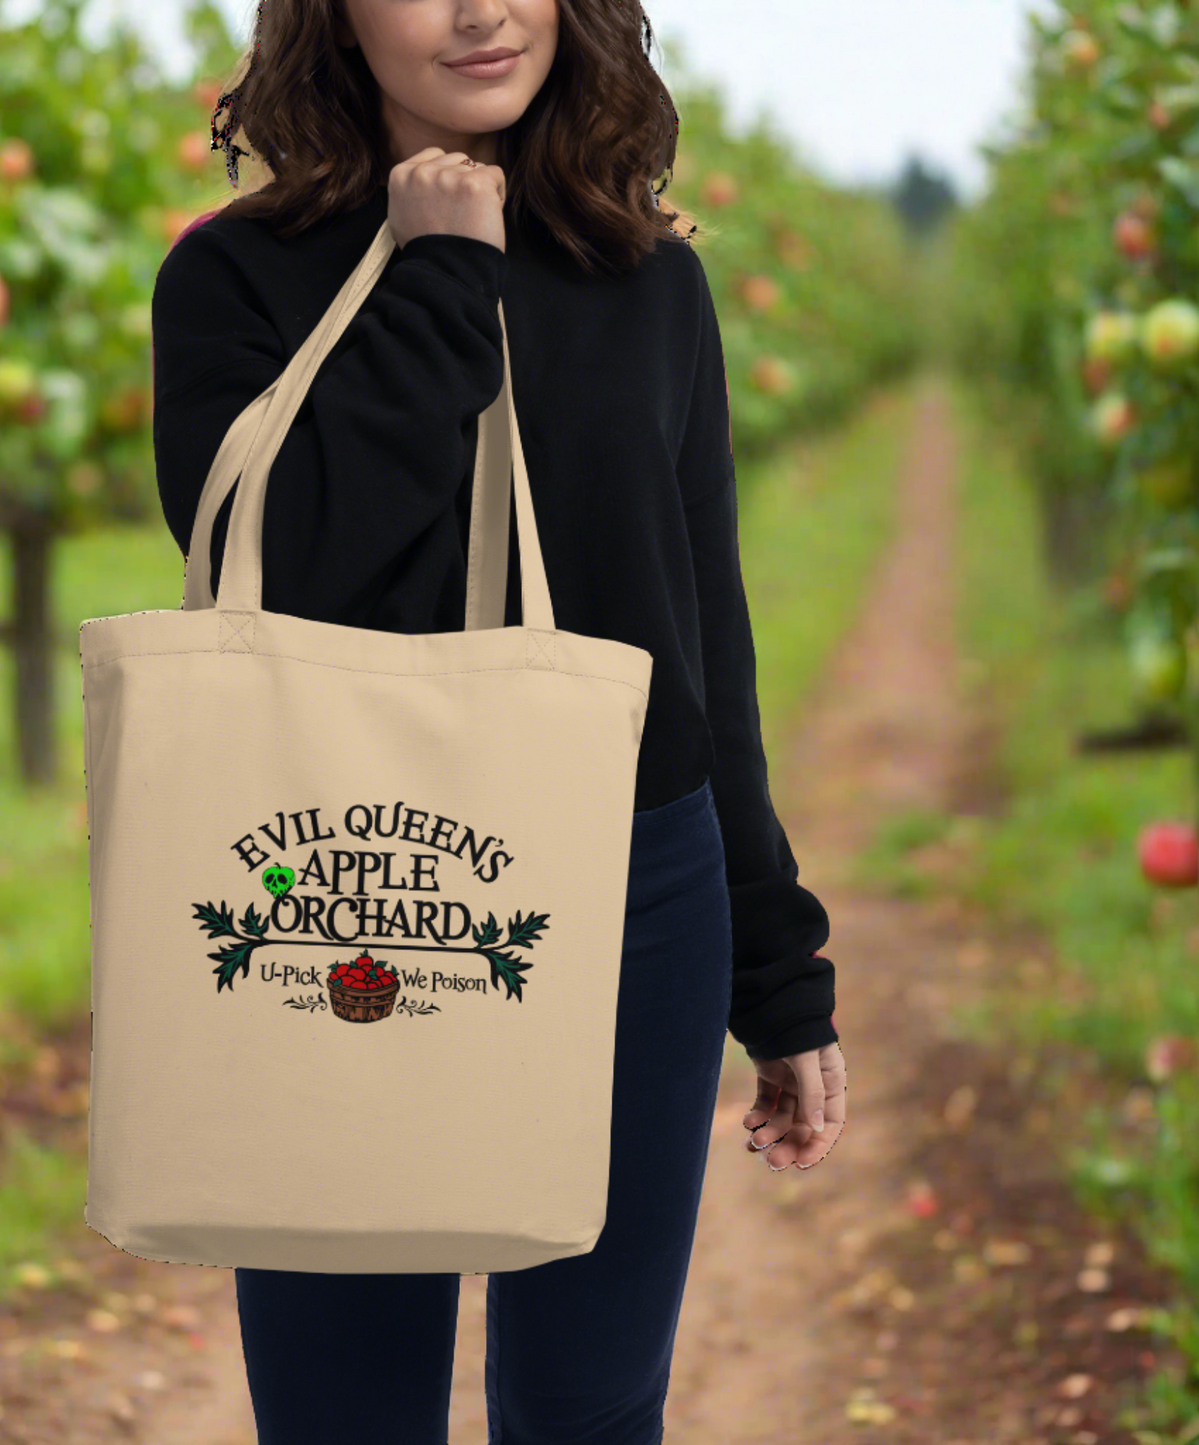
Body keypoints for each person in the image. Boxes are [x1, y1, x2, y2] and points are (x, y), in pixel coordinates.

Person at [150, 0, 848, 1434]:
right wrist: (440, 275)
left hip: (630, 897)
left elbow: (704, 633)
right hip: (343, 883)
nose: (479, 11)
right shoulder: (237, 278)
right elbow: (284, 552)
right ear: (334, 18)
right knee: (343, 1408)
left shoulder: (651, 283)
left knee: (593, 1408)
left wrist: (776, 975)